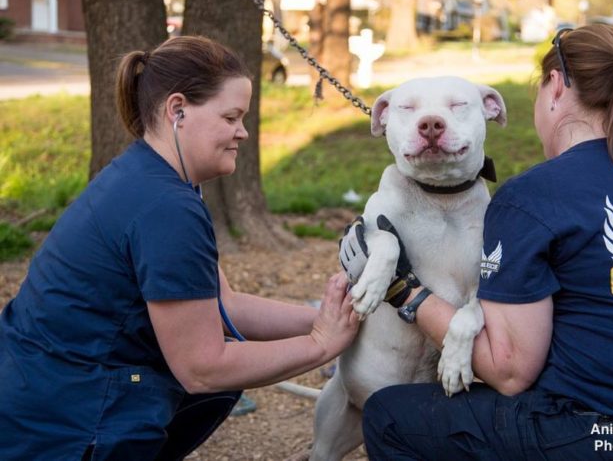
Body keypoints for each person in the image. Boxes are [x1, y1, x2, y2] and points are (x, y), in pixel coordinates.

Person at [342, 25, 613, 460]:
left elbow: (510, 372)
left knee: (389, 413)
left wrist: (404, 290)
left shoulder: (532, 197)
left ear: (554, 89)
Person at [0, 35, 359, 460]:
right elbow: (202, 368)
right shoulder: (165, 207)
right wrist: (320, 345)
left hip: (38, 388)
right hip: (66, 420)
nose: (243, 132)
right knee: (220, 375)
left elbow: (223, 305)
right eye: (231, 117)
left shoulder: (149, 174)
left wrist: (329, 320)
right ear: (177, 109)